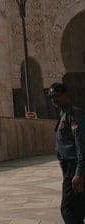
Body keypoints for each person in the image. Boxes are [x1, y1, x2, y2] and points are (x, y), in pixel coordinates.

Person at [48, 82, 85, 224]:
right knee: (78, 209)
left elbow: (81, 145)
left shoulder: (74, 114)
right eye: (51, 97)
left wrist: (79, 173)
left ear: (66, 95)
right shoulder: (63, 114)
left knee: (67, 209)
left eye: (56, 96)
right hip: (68, 167)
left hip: (74, 167)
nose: (53, 100)